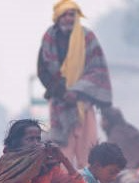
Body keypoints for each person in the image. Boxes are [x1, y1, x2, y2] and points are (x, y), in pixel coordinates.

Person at [37, 0, 112, 169]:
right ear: (57, 17)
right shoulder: (49, 38)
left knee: (88, 153)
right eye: (64, 14)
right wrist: (63, 92)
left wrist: (78, 91)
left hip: (83, 104)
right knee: (62, 155)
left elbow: (97, 69)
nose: (68, 18)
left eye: (72, 14)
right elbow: (43, 71)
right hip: (59, 105)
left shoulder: (88, 37)